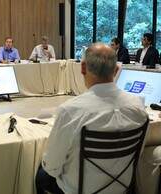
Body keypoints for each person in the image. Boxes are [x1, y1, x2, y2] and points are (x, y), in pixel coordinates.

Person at [36, 43, 148, 194]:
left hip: (79, 190)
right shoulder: (138, 107)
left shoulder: (70, 110)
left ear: (82, 68)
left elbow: (52, 167)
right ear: (116, 71)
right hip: (122, 188)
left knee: (41, 174)